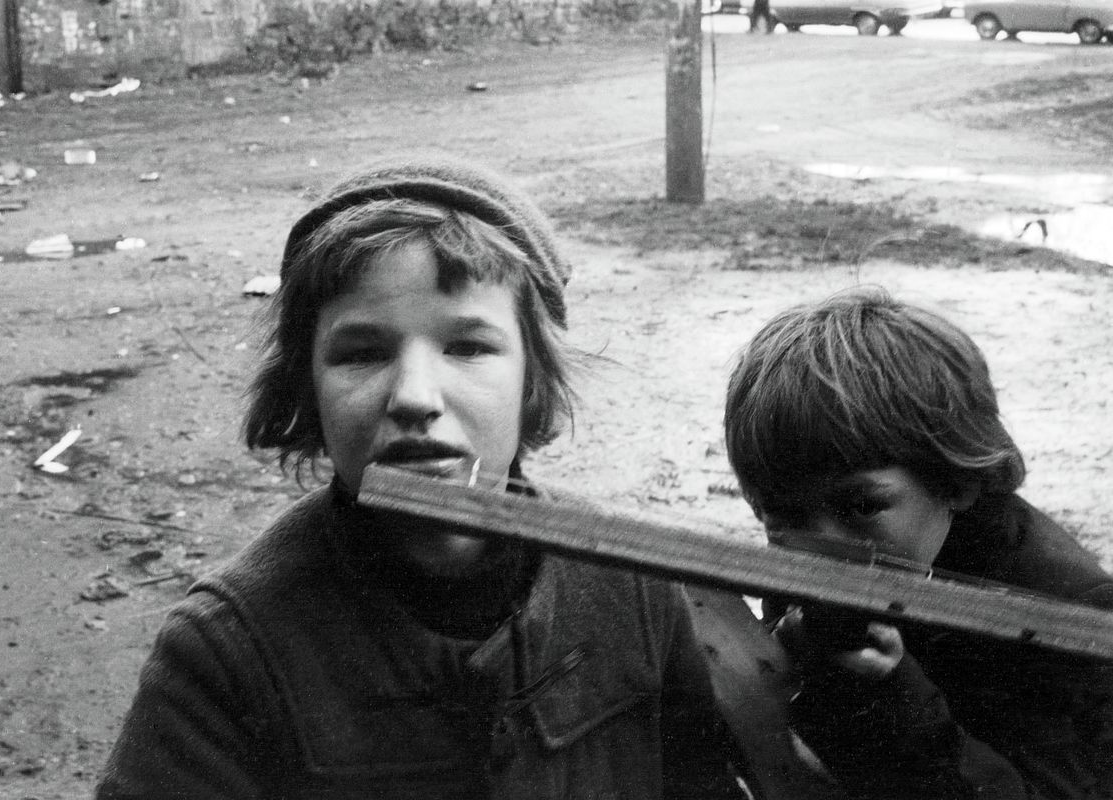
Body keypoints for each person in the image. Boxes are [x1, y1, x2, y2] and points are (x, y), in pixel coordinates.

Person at [95, 155, 749, 800]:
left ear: (532, 382)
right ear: (307, 392)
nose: (414, 396)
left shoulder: (637, 586)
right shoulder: (224, 653)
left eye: (466, 347)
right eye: (362, 353)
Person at [723, 287, 1113, 799]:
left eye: (860, 507)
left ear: (956, 480)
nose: (818, 551)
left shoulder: (1069, 616)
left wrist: (894, 697)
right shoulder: (814, 552)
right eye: (782, 515)